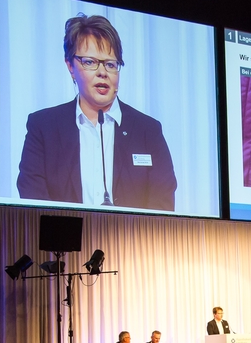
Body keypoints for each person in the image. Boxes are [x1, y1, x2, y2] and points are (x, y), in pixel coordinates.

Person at [17, 14, 177, 211]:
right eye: (90, 62)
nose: (103, 72)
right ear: (71, 67)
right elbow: (33, 197)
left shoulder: (148, 131)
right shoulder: (43, 126)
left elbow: (162, 201)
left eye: (110, 64)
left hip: (132, 241)